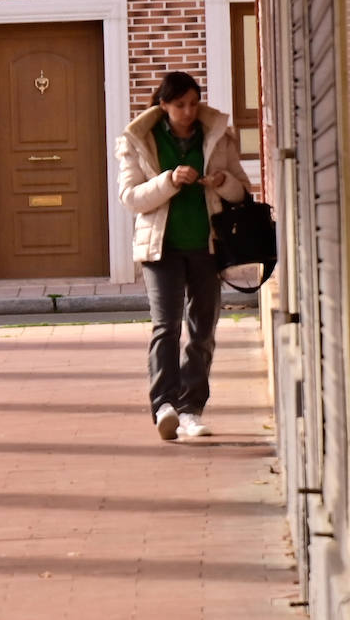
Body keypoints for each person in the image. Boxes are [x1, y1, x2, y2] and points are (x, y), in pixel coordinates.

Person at [114, 71, 251, 440]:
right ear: (163, 105)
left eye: (193, 103)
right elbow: (131, 198)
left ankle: (192, 408)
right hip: (160, 249)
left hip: (207, 246)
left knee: (202, 329)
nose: (188, 112)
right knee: (167, 326)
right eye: (179, 105)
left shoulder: (218, 135)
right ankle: (164, 406)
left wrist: (224, 183)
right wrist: (169, 180)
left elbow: (243, 191)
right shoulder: (138, 139)